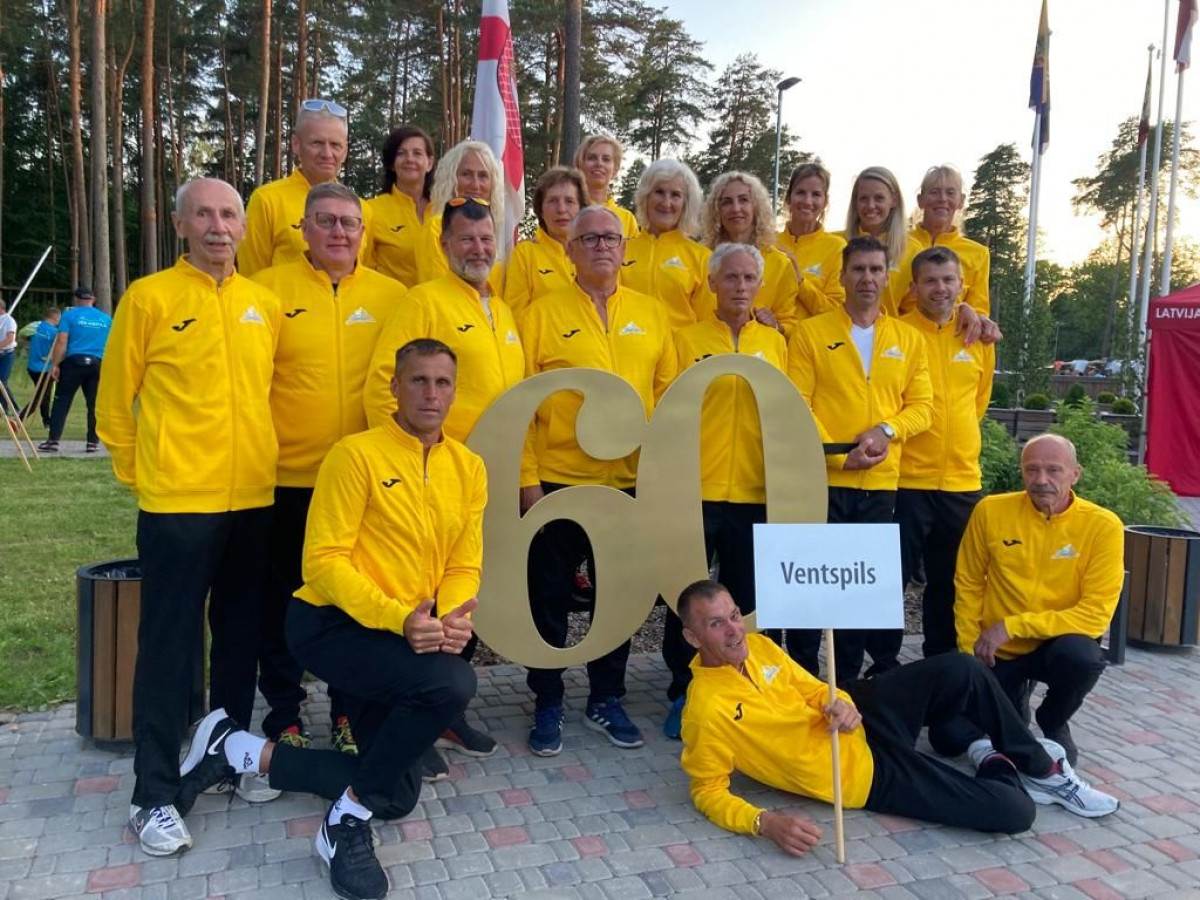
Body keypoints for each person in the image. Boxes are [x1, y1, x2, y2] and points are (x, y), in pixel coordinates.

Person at [169, 338, 484, 900]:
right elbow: (323, 560)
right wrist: (400, 618)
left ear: (455, 392)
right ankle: (345, 822)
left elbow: (463, 562)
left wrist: (454, 615)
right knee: (453, 683)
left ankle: (237, 750)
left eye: (442, 383)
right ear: (394, 387)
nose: (431, 394)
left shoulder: (469, 467)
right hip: (329, 625)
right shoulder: (355, 455)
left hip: (399, 633)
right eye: (418, 380)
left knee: (398, 795)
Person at [95, 178, 283, 856]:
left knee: (238, 640)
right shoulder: (149, 298)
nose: (218, 226)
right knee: (169, 648)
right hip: (177, 504)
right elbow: (113, 404)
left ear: (243, 227)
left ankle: (227, 758)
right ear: (180, 225)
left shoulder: (263, 304)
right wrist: (147, 476)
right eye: (203, 213)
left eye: (229, 214)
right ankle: (151, 794)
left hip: (252, 500)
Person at [678, 580, 1118, 856]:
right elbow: (707, 790)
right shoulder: (705, 710)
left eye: (734, 615)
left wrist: (837, 702)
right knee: (1015, 811)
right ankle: (990, 758)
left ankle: (1041, 767)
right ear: (692, 636)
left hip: (862, 714)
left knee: (961, 668)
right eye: (716, 624)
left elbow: (812, 688)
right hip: (860, 772)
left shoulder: (760, 647)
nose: (734, 630)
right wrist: (764, 823)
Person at [363, 196, 522, 775]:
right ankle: (407, 718)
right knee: (419, 595)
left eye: (485, 239)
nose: (478, 248)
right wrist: (401, 465)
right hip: (427, 476)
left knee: (463, 594)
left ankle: (445, 711)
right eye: (466, 239)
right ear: (445, 244)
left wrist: (525, 475)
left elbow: (519, 404)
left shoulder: (503, 311)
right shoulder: (424, 301)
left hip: (486, 481)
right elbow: (383, 383)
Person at [250, 183, 407, 765]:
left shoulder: (392, 296)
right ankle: (284, 714)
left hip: (363, 480)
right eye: (326, 221)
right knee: (283, 601)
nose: (339, 232)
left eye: (349, 222)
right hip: (287, 478)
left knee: (354, 604)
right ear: (304, 228)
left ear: (363, 232)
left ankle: (349, 713)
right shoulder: (267, 289)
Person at [520, 205, 676, 756]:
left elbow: (667, 399)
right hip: (559, 480)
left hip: (627, 483)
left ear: (625, 248)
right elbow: (522, 403)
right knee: (549, 598)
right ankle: (547, 699)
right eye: (589, 239)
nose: (602, 246)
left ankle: (606, 698)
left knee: (619, 598)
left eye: (611, 237)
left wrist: (659, 480)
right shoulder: (540, 313)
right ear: (570, 250)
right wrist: (528, 477)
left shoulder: (653, 314)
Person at [785, 236, 933, 683]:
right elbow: (797, 404)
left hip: (879, 487)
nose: (867, 278)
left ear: (887, 277)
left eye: (875, 270)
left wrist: (886, 430)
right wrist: (837, 458)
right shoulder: (811, 333)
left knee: (855, 595)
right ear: (843, 276)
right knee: (808, 591)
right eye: (858, 269)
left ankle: (847, 685)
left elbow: (922, 407)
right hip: (822, 484)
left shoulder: (908, 339)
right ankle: (802, 682)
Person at [934, 434, 1124, 767]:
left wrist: (1013, 626)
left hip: (1054, 646)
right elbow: (968, 583)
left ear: (1075, 474)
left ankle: (1053, 718)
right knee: (947, 739)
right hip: (997, 653)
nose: (1041, 480)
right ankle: (1014, 697)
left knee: (1083, 656)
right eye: (1032, 469)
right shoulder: (991, 510)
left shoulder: (1103, 526)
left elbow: (1095, 615)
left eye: (1054, 470)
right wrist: (969, 650)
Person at [661, 243, 786, 739]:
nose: (740, 287)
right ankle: (683, 691)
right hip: (696, 488)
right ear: (712, 284)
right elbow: (667, 411)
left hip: (755, 490)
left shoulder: (775, 344)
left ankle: (740, 689)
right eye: (730, 278)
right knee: (688, 598)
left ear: (760, 284)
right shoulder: (685, 339)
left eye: (749, 278)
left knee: (744, 599)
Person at [890, 247, 994, 665]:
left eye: (948, 279)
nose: (940, 288)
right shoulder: (896, 333)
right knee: (892, 579)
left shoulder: (977, 338)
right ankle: (883, 663)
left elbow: (979, 401)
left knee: (951, 580)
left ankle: (941, 661)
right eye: (930, 280)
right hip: (907, 479)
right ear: (913, 288)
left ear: (961, 285)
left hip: (961, 481)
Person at [239, 99, 372, 276]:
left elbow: (363, 278)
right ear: (296, 144)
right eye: (316, 143)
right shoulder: (267, 201)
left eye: (335, 145)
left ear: (345, 151)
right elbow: (251, 279)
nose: (327, 154)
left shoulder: (362, 210)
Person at [697, 172, 798, 335]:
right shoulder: (700, 257)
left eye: (743, 200)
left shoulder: (780, 263)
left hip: (757, 349)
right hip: (704, 346)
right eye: (727, 202)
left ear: (756, 206)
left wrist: (776, 326)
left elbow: (791, 324)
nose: (736, 208)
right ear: (717, 211)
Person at [620, 158, 711, 331]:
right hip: (628, 345)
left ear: (686, 203)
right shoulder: (620, 250)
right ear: (646, 197)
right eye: (659, 192)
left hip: (680, 348)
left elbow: (708, 324)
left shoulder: (702, 259)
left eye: (675, 195)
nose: (666, 202)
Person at [414, 140, 506, 287]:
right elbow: (439, 290)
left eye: (483, 176)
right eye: (466, 174)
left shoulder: (495, 229)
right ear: (450, 179)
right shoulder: (437, 227)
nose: (475, 185)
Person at [502, 166, 586, 321]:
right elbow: (516, 315)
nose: (561, 209)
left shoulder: (594, 251)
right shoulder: (525, 254)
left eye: (569, 201)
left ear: (581, 208)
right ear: (540, 210)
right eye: (552, 201)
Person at [908, 165, 991, 316]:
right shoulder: (897, 244)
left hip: (951, 331)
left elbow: (979, 312)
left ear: (961, 201)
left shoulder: (978, 253)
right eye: (934, 192)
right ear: (920, 200)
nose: (942, 199)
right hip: (899, 330)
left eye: (950, 193)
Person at [39, 286, 112, 453]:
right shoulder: (106, 319)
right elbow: (112, 343)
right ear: (93, 300)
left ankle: (53, 440)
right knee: (94, 404)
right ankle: (92, 442)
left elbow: (61, 341)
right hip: (97, 363)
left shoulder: (69, 316)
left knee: (62, 401)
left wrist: (55, 364)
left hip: (74, 362)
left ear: (77, 300)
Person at [843, 166, 922, 319]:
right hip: (835, 331)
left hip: (889, 332)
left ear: (894, 200)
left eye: (879, 198)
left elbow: (918, 309)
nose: (870, 205)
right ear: (855, 202)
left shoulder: (912, 250)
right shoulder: (837, 243)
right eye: (864, 198)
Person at [364, 124, 434, 286]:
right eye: (401, 153)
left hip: (439, 301)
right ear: (391, 164)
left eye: (417, 153)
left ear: (429, 163)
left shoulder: (445, 210)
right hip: (390, 300)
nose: (409, 159)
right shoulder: (370, 210)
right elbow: (362, 269)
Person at [776, 163, 846, 319]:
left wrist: (800, 281)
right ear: (789, 198)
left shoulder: (837, 248)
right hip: (771, 334)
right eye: (800, 192)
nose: (808, 201)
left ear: (825, 201)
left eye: (816, 194)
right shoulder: (770, 243)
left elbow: (837, 311)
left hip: (815, 335)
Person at [574, 133, 638, 238]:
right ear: (580, 165)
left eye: (606, 159)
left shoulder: (627, 219)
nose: (599, 163)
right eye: (592, 158)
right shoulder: (567, 213)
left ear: (615, 170)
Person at [19, 306, 60, 428]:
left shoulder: (34, 326)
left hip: (32, 367)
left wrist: (28, 345)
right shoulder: (55, 332)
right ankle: (19, 419)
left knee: (45, 395)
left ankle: (46, 421)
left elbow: (21, 335)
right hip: (45, 368)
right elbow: (60, 348)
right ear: (56, 318)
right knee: (41, 397)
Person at [0, 298, 16, 415]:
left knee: (2, 381)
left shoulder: (9, 321)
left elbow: (9, 339)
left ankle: (11, 408)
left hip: (7, 354)